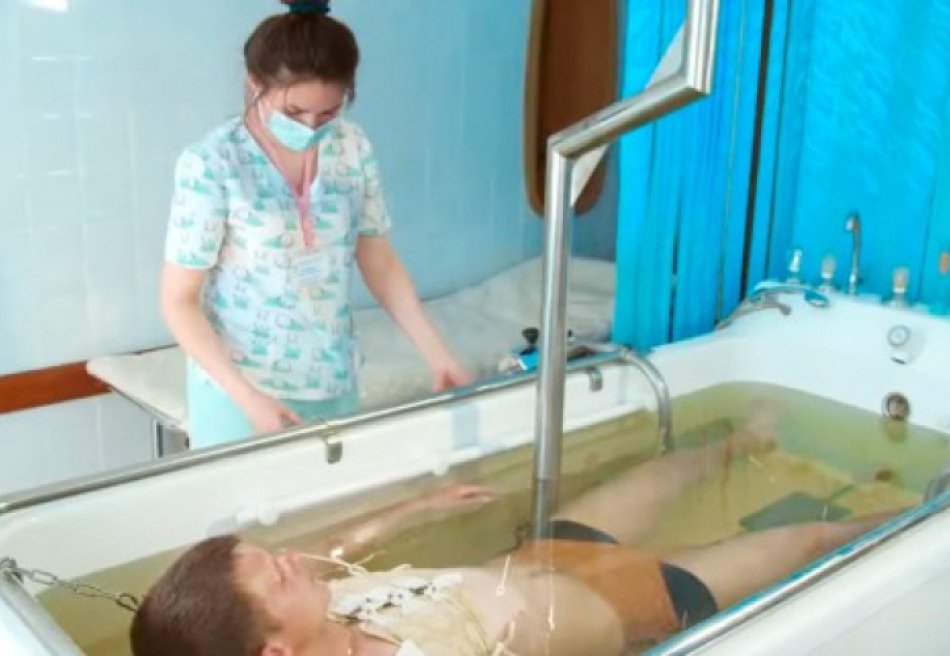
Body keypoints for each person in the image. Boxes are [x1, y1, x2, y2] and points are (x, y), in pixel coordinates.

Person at [128, 425, 895, 656]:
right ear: (274, 653)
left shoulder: (324, 603)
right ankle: (912, 515)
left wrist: (422, 504)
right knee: (812, 541)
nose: (292, 559)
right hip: (634, 608)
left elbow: (340, 540)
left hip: (548, 556)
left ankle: (747, 436)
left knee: (677, 465)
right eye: (276, 575)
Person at [161, 0, 470, 449]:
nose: (311, 127)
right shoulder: (212, 164)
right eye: (294, 113)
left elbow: (379, 263)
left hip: (331, 379)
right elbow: (178, 301)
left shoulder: (351, 147)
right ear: (255, 84)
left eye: (327, 113)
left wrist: (437, 353)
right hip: (241, 391)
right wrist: (248, 399)